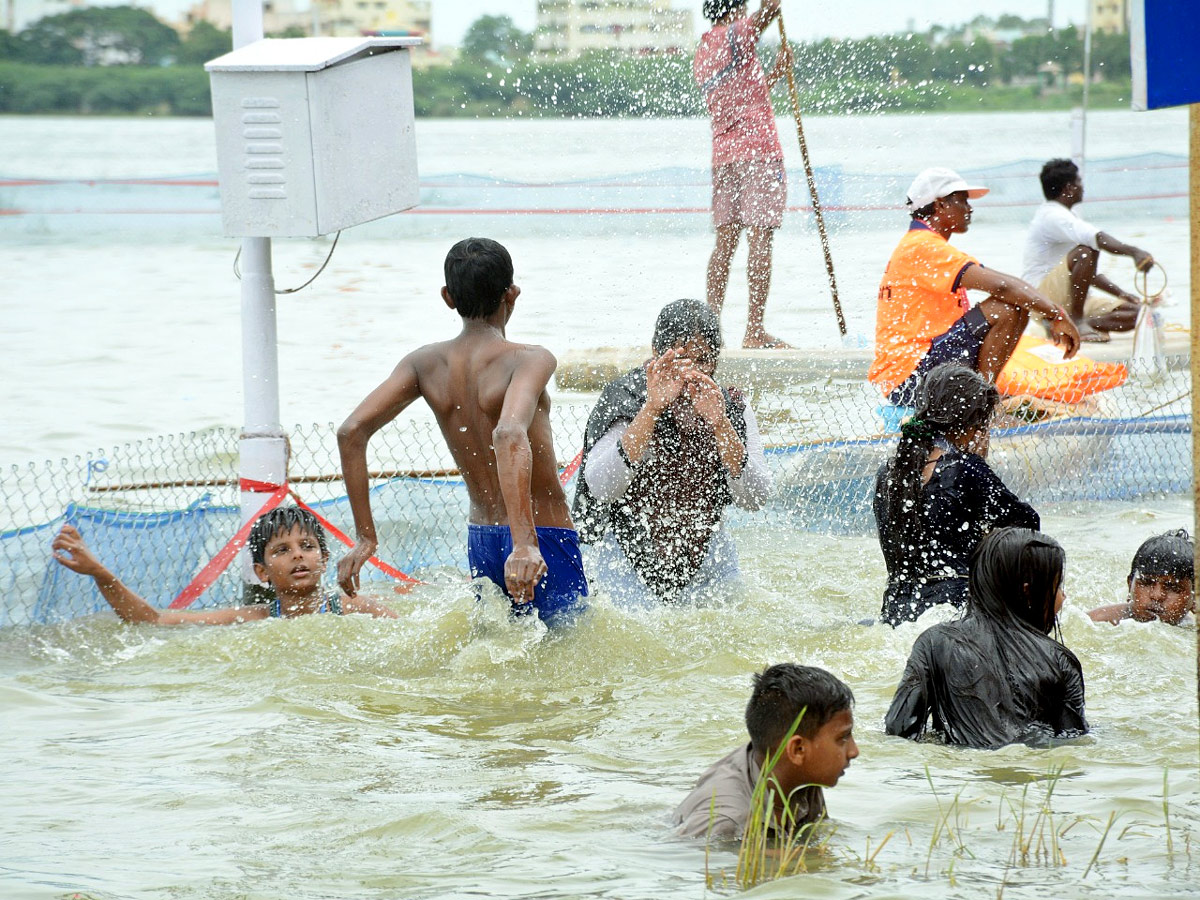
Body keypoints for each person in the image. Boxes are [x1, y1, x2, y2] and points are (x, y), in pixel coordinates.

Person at [337, 238, 588, 623]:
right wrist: (524, 543)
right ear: (512, 294)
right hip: (541, 536)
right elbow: (508, 434)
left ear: (448, 298)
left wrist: (366, 537)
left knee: (496, 661)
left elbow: (351, 431)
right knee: (572, 662)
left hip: (482, 539)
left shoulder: (424, 363)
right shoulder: (530, 359)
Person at [573, 299, 772, 604]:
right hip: (625, 557)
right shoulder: (627, 397)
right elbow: (600, 487)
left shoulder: (729, 405)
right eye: (681, 360)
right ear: (656, 353)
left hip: (708, 557)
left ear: (717, 358)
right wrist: (652, 409)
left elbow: (756, 498)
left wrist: (720, 425)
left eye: (704, 360)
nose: (692, 373)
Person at [869, 167, 1082, 407]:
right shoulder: (923, 246)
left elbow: (1004, 283)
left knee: (1012, 303)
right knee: (1008, 308)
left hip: (910, 374)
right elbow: (1003, 287)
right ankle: (982, 406)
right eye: (962, 201)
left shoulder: (922, 244)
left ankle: (979, 397)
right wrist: (1056, 315)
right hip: (911, 380)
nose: (969, 209)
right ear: (939, 205)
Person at [885, 527, 1088, 749]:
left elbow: (899, 729)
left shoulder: (934, 642)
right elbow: (1073, 742)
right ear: (1028, 591)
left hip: (961, 774)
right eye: (1058, 586)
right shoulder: (1060, 660)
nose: (1063, 596)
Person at [873, 363, 1039, 626]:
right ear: (972, 426)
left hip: (896, 612)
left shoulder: (889, 474)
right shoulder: (966, 469)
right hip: (958, 613)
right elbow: (1028, 527)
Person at [49, 507, 397, 624]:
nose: (298, 555)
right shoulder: (256, 618)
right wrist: (100, 573)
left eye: (307, 547)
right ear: (262, 572)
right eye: (282, 550)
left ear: (323, 558)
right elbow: (154, 620)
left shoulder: (352, 609)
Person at [693, 0, 795, 349]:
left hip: (724, 156)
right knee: (760, 239)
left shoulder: (704, 49)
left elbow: (740, 95)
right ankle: (754, 330)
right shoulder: (738, 32)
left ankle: (708, 330)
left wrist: (776, 75)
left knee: (725, 242)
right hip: (759, 153)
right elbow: (771, 6)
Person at [673, 664, 858, 841]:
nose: (854, 751)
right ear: (798, 750)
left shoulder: (795, 771)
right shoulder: (726, 822)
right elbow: (683, 859)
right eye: (842, 737)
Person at [1023, 158, 1156, 343]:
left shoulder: (1067, 217)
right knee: (1087, 250)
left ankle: (1075, 324)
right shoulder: (1052, 216)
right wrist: (1134, 252)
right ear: (1069, 188)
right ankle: (1077, 321)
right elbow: (1097, 239)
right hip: (1042, 300)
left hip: (1067, 300)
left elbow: (1087, 274)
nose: (1082, 187)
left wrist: (1120, 294)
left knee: (1140, 313)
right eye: (1079, 182)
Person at [1088, 529, 1195, 626]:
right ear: (1130, 586)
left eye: (1172, 587)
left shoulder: (1190, 634)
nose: (1156, 596)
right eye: (1146, 583)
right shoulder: (1097, 622)